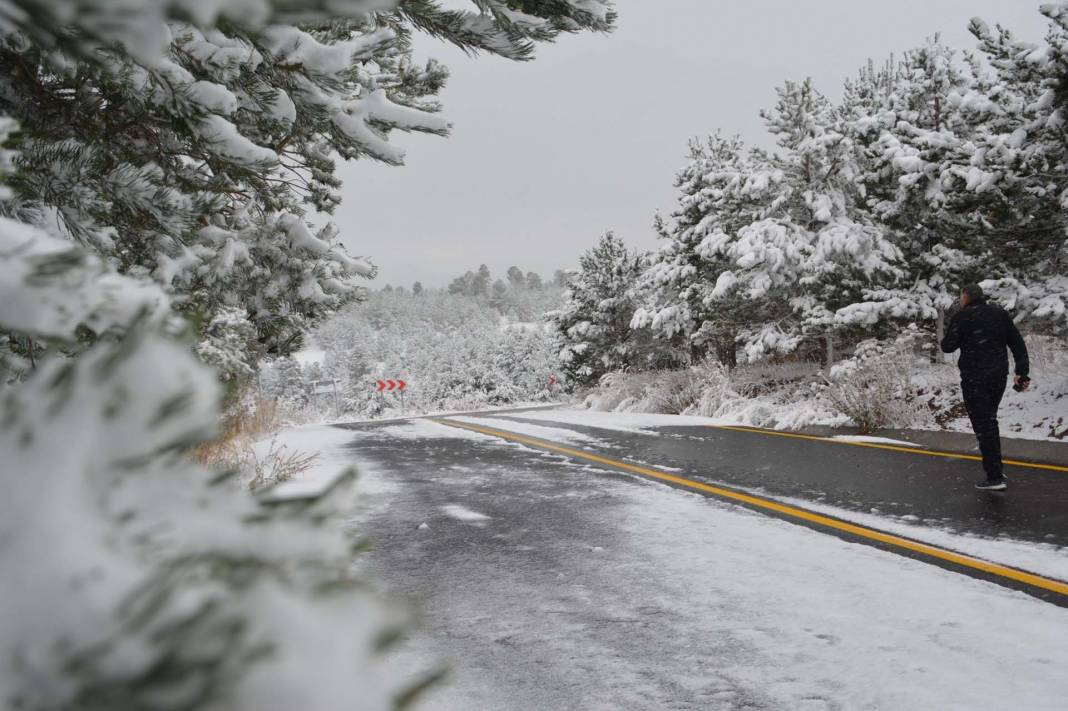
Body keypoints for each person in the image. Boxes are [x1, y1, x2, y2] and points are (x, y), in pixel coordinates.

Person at [940, 284, 1030, 491]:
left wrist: (957, 328)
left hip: (974, 378)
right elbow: (1017, 343)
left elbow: (947, 346)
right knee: (989, 420)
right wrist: (1022, 372)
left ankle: (994, 476)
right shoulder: (999, 314)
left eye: (961, 297)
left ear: (965, 297)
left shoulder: (963, 317)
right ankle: (995, 469)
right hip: (998, 376)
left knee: (984, 424)